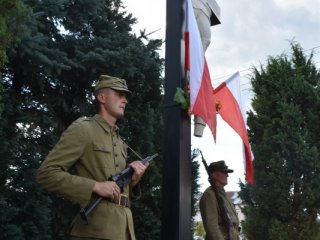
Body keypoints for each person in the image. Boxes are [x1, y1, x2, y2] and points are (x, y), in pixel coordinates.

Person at [37, 74, 149, 240]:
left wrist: (133, 181)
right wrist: (94, 186)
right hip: (94, 231)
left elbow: (117, 191)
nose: (125, 100)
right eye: (119, 94)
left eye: (126, 97)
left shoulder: (119, 141)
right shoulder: (83, 129)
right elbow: (46, 174)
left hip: (124, 231)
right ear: (102, 97)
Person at [199, 161, 240, 240]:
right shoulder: (210, 195)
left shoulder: (224, 195)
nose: (227, 175)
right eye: (224, 172)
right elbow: (212, 227)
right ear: (214, 175)